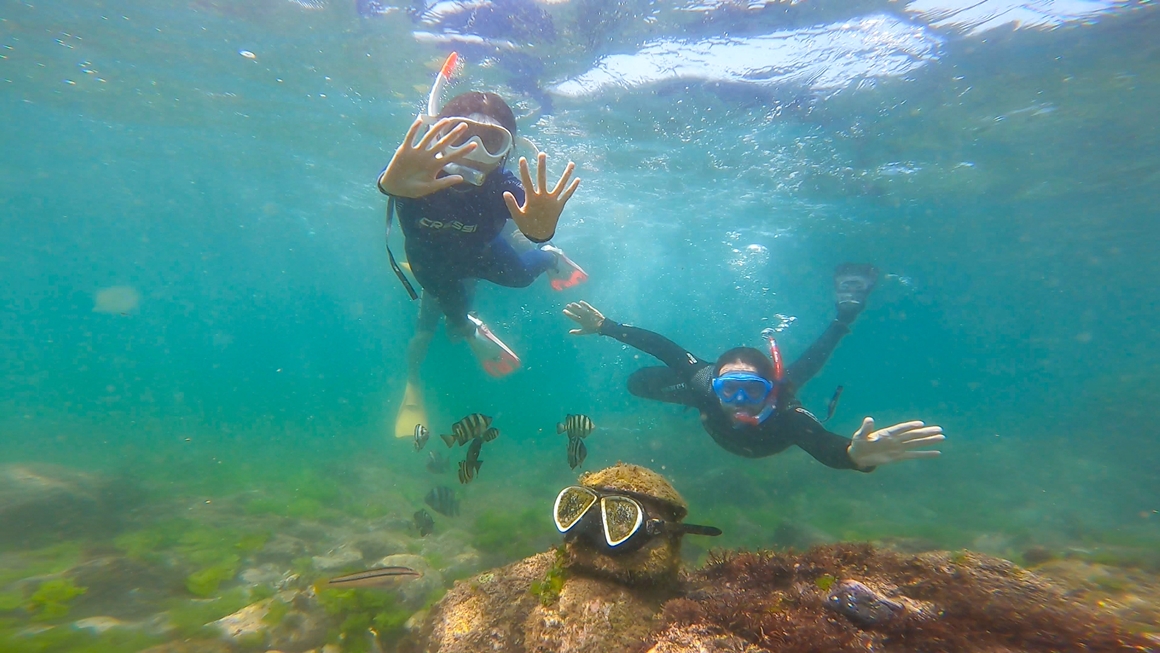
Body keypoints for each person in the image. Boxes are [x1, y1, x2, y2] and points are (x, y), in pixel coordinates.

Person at [378, 58, 586, 438]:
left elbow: (531, 215)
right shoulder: (414, 174)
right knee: (453, 316)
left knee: (523, 277)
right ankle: (468, 327)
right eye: (459, 135)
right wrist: (388, 186)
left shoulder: (501, 184)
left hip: (482, 254)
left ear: (507, 152)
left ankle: (550, 258)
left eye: (491, 141)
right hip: (430, 265)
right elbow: (393, 179)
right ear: (436, 135)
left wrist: (542, 233)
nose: (473, 150)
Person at [562, 265, 945, 470]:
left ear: (770, 390)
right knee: (638, 383)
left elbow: (821, 443)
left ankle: (844, 316)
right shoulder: (702, 382)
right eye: (730, 389)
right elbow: (664, 348)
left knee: (806, 366)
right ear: (715, 384)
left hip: (758, 404)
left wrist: (852, 455)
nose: (741, 400)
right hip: (699, 395)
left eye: (753, 389)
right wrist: (607, 328)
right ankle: (843, 318)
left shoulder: (787, 413)